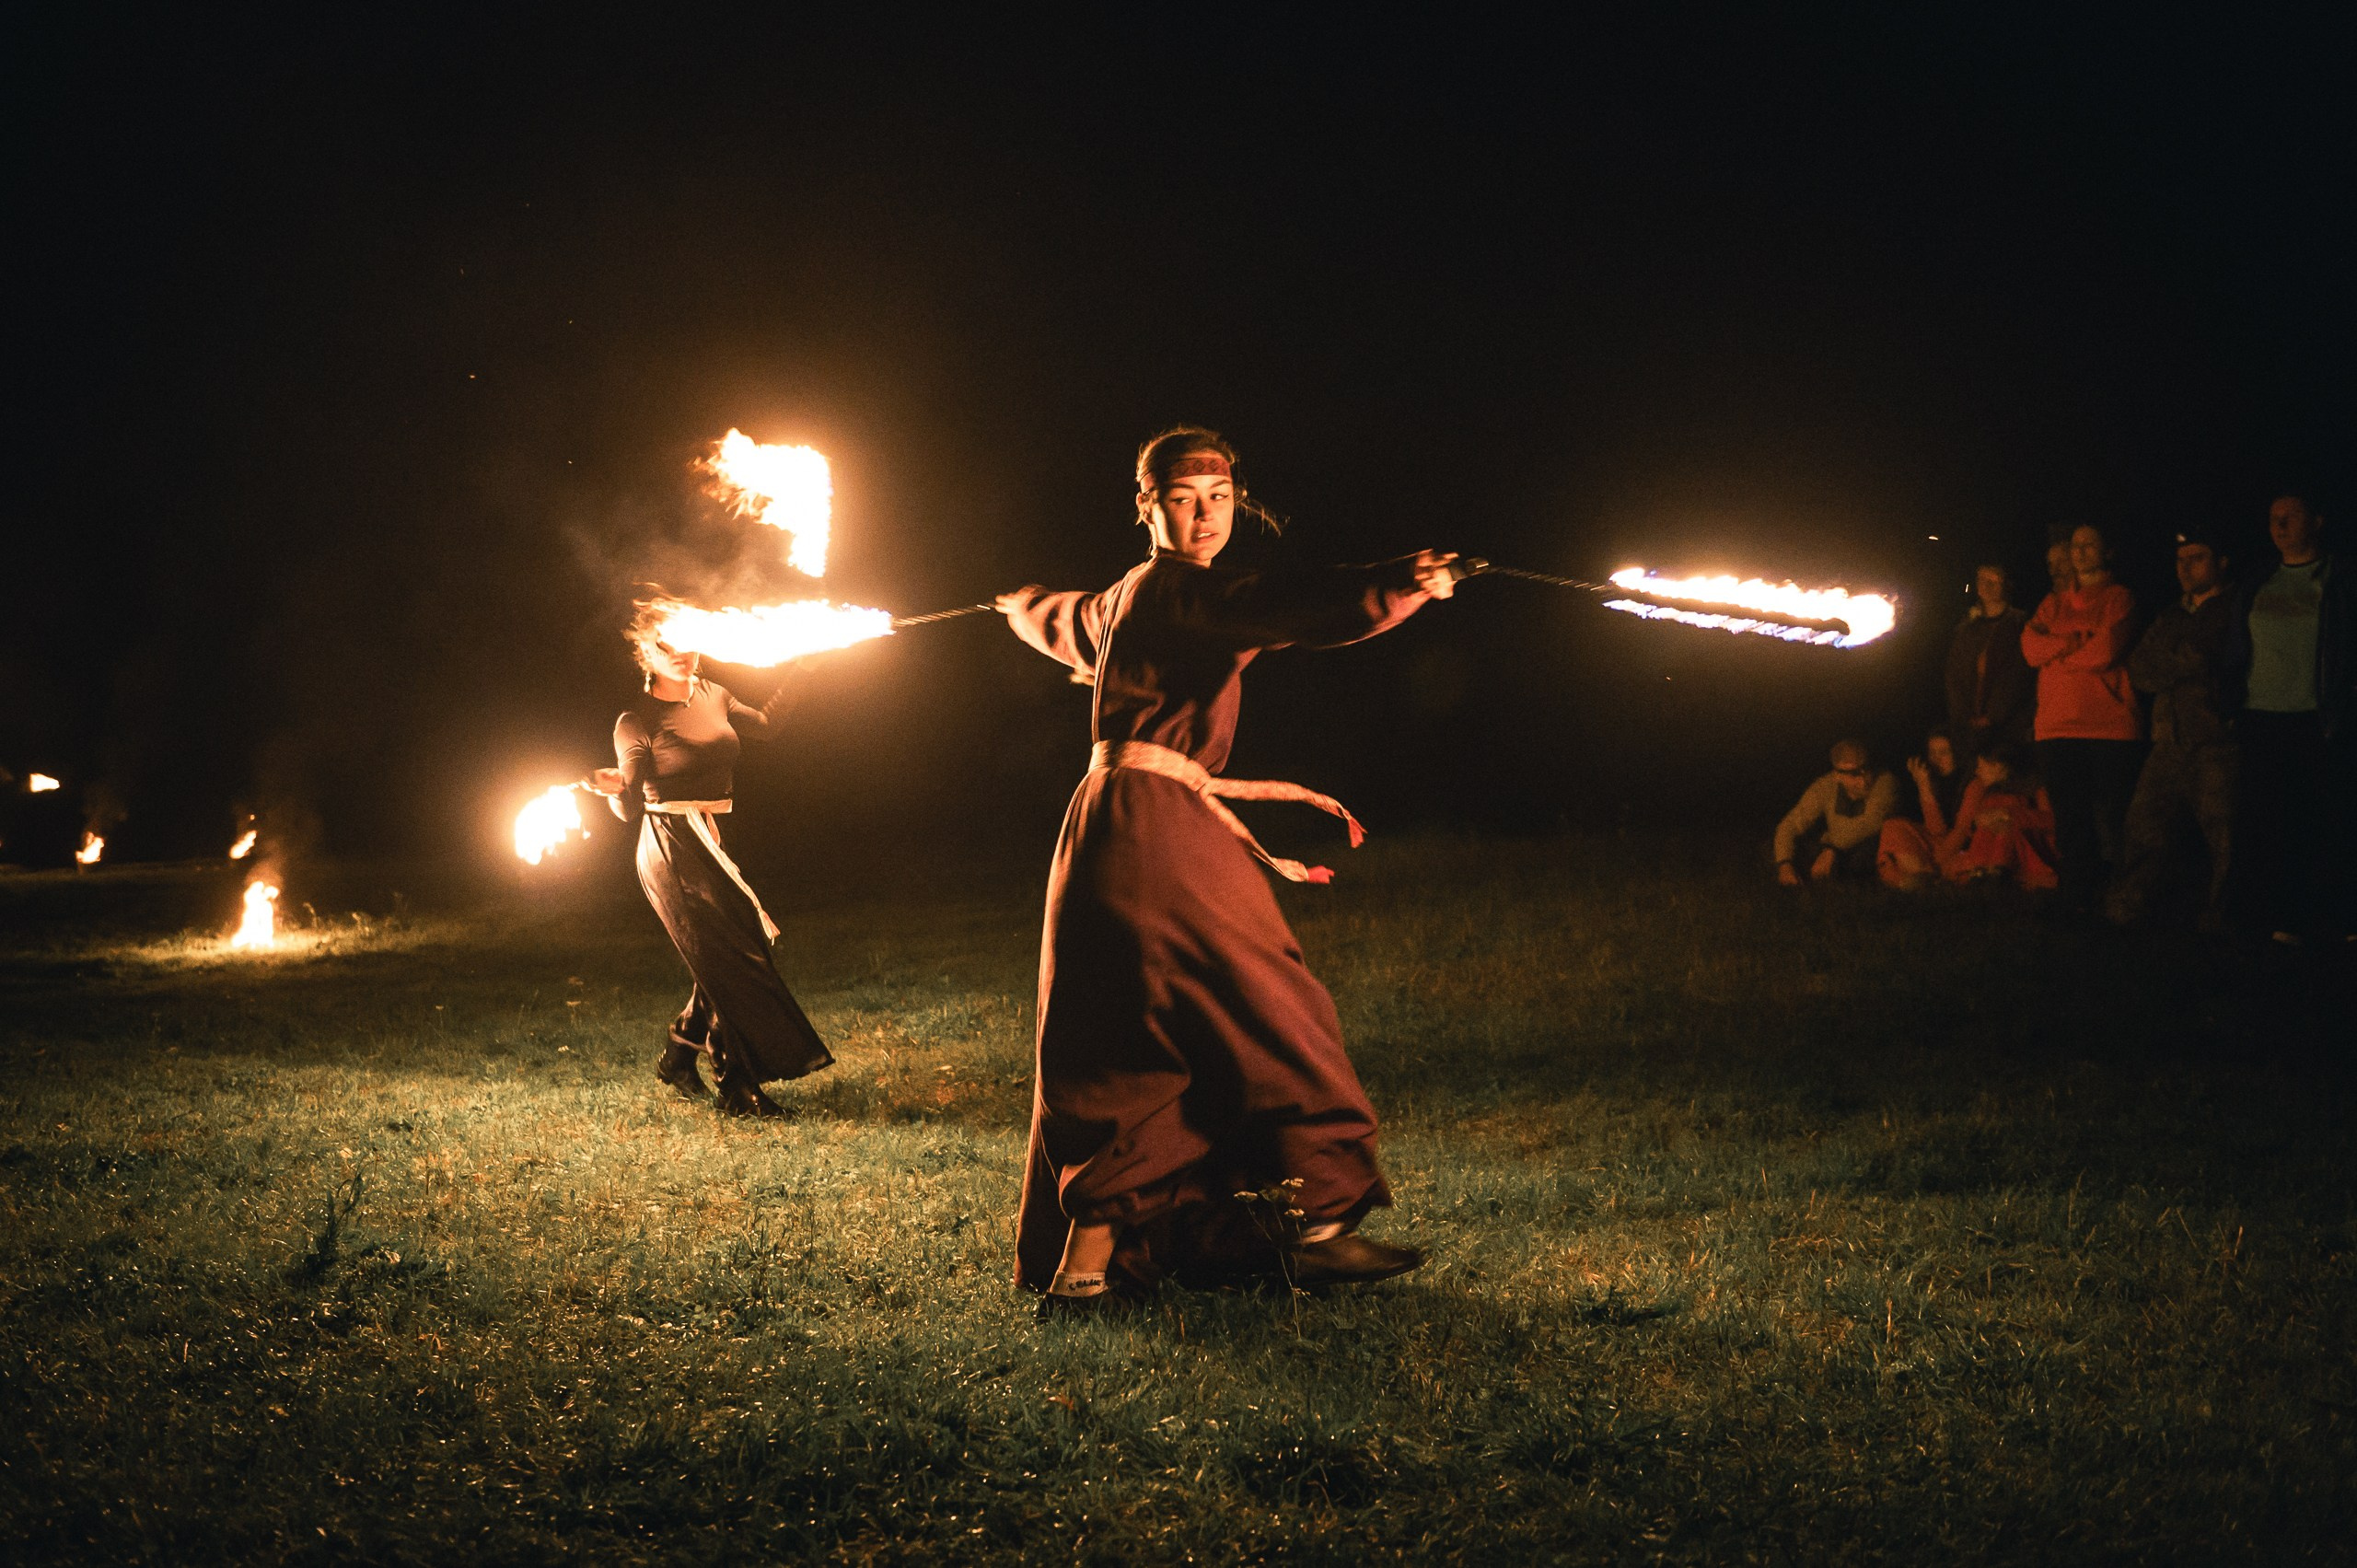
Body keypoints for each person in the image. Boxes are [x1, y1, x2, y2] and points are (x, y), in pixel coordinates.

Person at [994, 425, 1461, 1313]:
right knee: (1270, 1003)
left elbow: (1063, 618)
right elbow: (1286, 605)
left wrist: (1015, 602)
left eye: (1219, 498)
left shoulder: (1127, 597)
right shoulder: (1180, 591)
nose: (1205, 514)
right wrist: (1395, 585)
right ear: (1149, 506)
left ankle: (1085, 1274)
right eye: (1183, 498)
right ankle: (1320, 1224)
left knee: (1132, 1032)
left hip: (1111, 822)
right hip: (1155, 830)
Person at [582, 606, 833, 1117]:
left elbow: (765, 725)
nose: (686, 653)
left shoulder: (713, 693)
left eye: (690, 641)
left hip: (703, 837)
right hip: (670, 846)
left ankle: (679, 1053)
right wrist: (611, 787)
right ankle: (736, 1085)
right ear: (648, 653)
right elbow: (631, 807)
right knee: (732, 954)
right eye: (672, 646)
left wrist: (802, 668)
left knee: (727, 950)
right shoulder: (636, 721)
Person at [2232, 493, 2356, 943]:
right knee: (2271, 820)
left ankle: (2338, 916)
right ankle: (2281, 918)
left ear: (2318, 521)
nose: (2279, 524)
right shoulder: (2258, 580)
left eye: (2291, 516)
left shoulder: (2340, 578)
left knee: (2327, 818)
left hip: (2318, 715)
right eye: (2272, 518)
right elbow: (2237, 644)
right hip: (2262, 715)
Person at [2107, 528, 2242, 929]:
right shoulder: (2171, 614)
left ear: (2221, 562)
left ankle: (2224, 919)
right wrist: (2185, 659)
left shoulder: (2236, 609)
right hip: (2167, 740)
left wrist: (2182, 660)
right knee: (2144, 828)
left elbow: (2208, 658)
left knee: (2226, 838)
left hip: (2216, 740)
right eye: (2181, 560)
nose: (2185, 568)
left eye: (2196, 558)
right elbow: (2141, 668)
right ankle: (2128, 911)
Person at [2022, 523, 2142, 913]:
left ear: (2108, 551)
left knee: (2113, 815)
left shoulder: (2119, 599)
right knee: (2070, 817)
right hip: (2056, 726)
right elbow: (2029, 649)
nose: (2081, 552)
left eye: (2090, 544)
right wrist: (2072, 643)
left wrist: (2058, 653)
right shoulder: (2052, 604)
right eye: (2076, 546)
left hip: (2107, 725)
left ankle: (2122, 896)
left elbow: (2104, 651)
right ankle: (2076, 897)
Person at [1773, 739, 1898, 885]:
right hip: (1835, 846)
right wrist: (1785, 865)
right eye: (1853, 774)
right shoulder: (1825, 787)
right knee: (1785, 850)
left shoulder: (1886, 781)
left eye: (1866, 768)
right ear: (1837, 775)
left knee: (1862, 856)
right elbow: (1791, 824)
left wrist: (1832, 849)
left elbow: (1871, 823)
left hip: (1869, 846)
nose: (1863, 780)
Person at [1944, 565, 2034, 765]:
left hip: (2010, 728)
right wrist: (1963, 716)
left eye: (1995, 580)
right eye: (1984, 580)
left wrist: (1994, 715)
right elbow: (1954, 676)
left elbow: (2018, 675)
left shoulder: (2020, 625)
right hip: (1969, 729)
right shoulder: (1967, 629)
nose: (1989, 586)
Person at [1941, 746, 2059, 889]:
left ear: (1999, 767)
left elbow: (2052, 821)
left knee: (2004, 826)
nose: (1977, 771)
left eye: (1981, 766)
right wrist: (1979, 821)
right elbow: (1966, 827)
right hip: (1987, 853)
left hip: (2031, 853)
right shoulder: (1987, 792)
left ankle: (1997, 871)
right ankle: (1983, 872)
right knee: (1991, 825)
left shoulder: (2035, 791)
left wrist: (2011, 815)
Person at [1876, 727, 1968, 888]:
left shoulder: (1967, 783)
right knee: (1891, 826)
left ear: (1957, 753)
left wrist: (1924, 788)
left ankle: (1919, 879)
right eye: (1933, 753)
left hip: (1954, 847)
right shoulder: (1931, 777)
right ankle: (1921, 876)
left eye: (1944, 752)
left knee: (1895, 860)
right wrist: (1921, 785)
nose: (1937, 759)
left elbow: (1940, 831)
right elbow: (1916, 823)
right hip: (1932, 844)